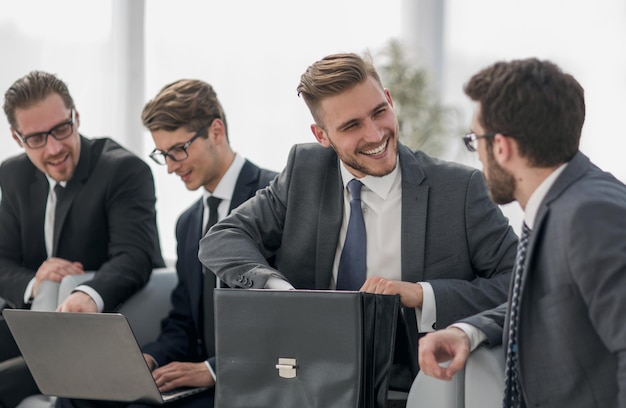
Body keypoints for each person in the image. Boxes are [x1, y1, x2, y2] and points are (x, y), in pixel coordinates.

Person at [199, 52, 519, 400]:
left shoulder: (460, 189)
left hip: (408, 389)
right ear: (322, 135)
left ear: (390, 100)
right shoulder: (304, 172)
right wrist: (280, 293)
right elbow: (222, 238)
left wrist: (421, 294)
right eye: (351, 126)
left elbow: (519, 283)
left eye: (379, 112)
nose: (375, 134)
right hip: (307, 385)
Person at [417, 58, 626, 408]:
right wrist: (468, 331)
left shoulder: (589, 215)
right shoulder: (566, 201)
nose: (478, 157)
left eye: (474, 141)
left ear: (501, 146)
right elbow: (554, 298)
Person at [56, 79, 277, 408]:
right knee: (76, 398)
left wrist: (214, 369)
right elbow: (184, 321)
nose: (171, 166)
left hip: (255, 380)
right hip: (199, 380)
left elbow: (289, 315)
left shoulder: (276, 199)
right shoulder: (188, 223)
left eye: (178, 150)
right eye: (164, 154)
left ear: (216, 131)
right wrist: (147, 359)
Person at [0, 71, 164, 407]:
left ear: (76, 117)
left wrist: (87, 294)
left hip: (104, 328)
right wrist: (35, 281)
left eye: (62, 129)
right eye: (36, 138)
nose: (55, 147)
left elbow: (134, 255)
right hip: (35, 325)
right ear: (18, 139)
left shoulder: (122, 171)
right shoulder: (13, 174)